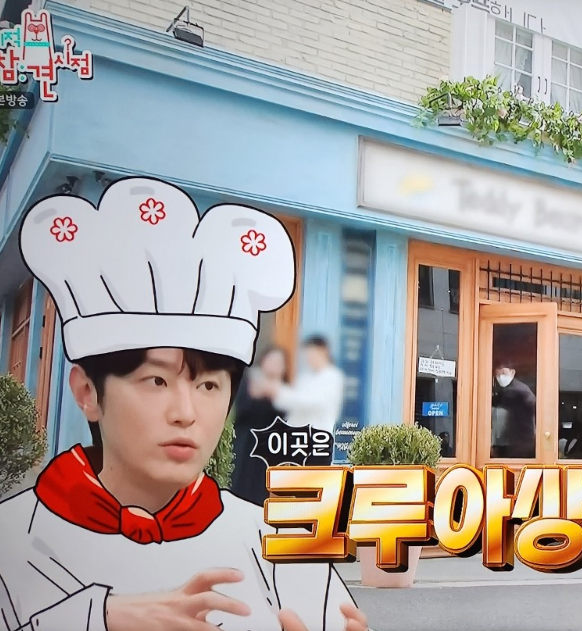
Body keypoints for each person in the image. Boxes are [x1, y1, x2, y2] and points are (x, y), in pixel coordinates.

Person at [0, 177, 369, 631]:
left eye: (209, 386)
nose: (186, 413)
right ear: (87, 393)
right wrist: (101, 618)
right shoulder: (13, 539)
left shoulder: (275, 542)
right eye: (156, 380)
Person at [258, 335, 345, 467]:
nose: (309, 359)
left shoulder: (332, 377)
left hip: (318, 441)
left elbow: (312, 403)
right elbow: (292, 407)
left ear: (323, 352)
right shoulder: (305, 378)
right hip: (298, 442)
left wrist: (279, 391)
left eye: (312, 354)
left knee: (315, 477)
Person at [230, 346, 288, 506]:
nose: (275, 366)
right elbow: (242, 409)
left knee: (261, 491)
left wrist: (271, 394)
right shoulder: (249, 380)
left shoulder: (284, 391)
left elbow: (283, 418)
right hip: (246, 443)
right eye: (272, 360)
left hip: (269, 448)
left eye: (279, 363)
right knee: (240, 486)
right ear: (263, 361)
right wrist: (262, 396)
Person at [491, 360, 536, 459]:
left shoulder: (517, 390)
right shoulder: (507, 389)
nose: (500, 377)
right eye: (497, 374)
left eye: (503, 373)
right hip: (512, 439)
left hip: (519, 440)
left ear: (512, 372)